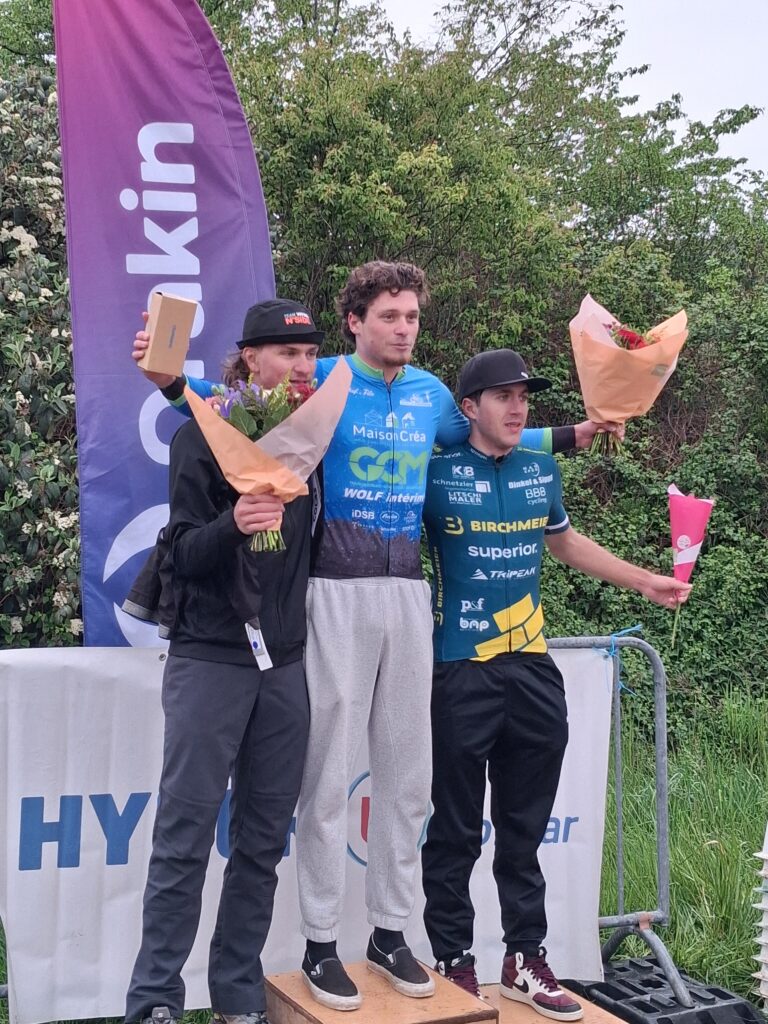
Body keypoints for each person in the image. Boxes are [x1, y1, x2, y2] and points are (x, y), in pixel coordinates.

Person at [132, 266, 618, 1012]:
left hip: (408, 595)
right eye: (389, 315)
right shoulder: (319, 379)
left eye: (413, 316)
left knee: (408, 777)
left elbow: (492, 430)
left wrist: (574, 435)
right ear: (355, 321)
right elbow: (233, 413)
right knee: (326, 777)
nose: (404, 328)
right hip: (329, 592)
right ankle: (320, 942)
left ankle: (390, 932)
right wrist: (170, 383)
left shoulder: (431, 393)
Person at [420, 348, 691, 1018]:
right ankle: (453, 961)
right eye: (503, 397)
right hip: (461, 666)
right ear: (468, 407)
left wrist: (645, 580)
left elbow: (565, 543)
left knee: (523, 830)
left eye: (524, 398)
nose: (517, 408)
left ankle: (523, 958)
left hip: (533, 668)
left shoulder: (540, 470)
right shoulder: (435, 471)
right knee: (455, 830)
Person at [124, 299, 322, 1024]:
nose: (302, 367)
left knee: (263, 844)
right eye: (287, 353)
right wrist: (234, 524)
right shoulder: (200, 439)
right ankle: (154, 1001)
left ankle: (237, 994)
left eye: (310, 355)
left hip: (286, 669)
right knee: (183, 840)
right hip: (210, 660)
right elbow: (180, 554)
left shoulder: (311, 444)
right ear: (250, 359)